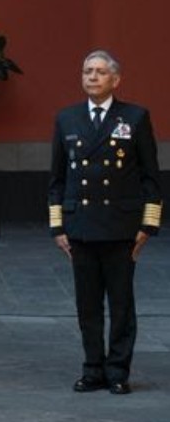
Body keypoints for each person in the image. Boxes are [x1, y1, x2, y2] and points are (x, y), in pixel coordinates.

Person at [48, 49, 161, 396]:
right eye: (86, 72)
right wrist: (58, 226)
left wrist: (147, 226)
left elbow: (150, 177)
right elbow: (57, 178)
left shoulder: (135, 117)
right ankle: (92, 368)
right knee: (87, 305)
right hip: (80, 226)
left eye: (99, 72)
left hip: (120, 227)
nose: (92, 77)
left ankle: (117, 371)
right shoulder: (67, 119)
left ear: (116, 79)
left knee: (122, 306)